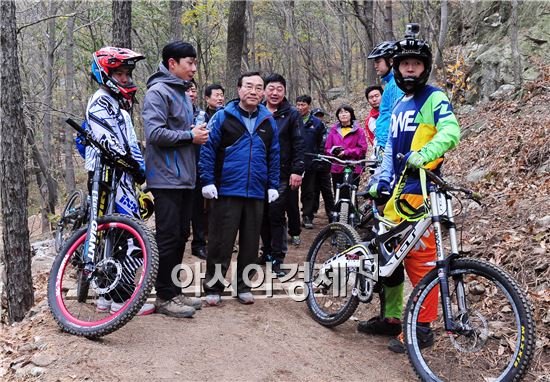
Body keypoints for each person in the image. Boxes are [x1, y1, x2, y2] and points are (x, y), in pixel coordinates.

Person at [359, 33, 461, 354]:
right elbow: (390, 148)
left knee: (422, 262)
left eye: (416, 64)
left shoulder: (435, 98)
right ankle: (390, 317)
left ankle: (422, 328)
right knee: (388, 258)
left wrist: (426, 152)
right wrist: (380, 179)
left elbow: (451, 131)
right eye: (405, 64)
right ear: (397, 67)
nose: (410, 70)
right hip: (395, 198)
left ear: (425, 68)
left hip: (423, 194)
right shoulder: (400, 103)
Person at [199, 71, 280, 306]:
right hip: (226, 189)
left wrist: (273, 185)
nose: (254, 91)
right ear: (239, 89)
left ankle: (243, 285)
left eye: (258, 87)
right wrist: (207, 181)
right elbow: (208, 149)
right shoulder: (223, 116)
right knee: (220, 242)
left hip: (256, 190)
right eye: (249, 86)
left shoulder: (268, 120)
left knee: (251, 243)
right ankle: (213, 287)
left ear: (263, 92)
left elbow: (274, 154)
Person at [86, 46, 155, 316]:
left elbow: (129, 146)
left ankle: (106, 296)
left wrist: (140, 170)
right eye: (120, 73)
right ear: (106, 73)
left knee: (112, 239)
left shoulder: (118, 105)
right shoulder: (100, 101)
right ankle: (122, 298)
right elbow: (109, 144)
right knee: (130, 240)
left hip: (120, 176)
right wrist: (135, 168)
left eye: (127, 73)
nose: (125, 79)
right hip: (108, 175)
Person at [142, 41, 208, 318]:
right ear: (172, 63)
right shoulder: (158, 92)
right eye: (189, 62)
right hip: (165, 178)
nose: (194, 68)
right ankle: (164, 297)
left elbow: (181, 130)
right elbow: (154, 133)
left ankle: (173, 290)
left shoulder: (181, 92)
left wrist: (194, 132)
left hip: (185, 177)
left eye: (195, 62)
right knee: (168, 237)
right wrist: (189, 136)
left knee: (181, 235)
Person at [259, 73, 305, 277]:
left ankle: (278, 257)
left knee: (276, 215)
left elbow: (299, 143)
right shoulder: (257, 111)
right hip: (259, 173)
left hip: (282, 174)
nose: (275, 93)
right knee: (261, 216)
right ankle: (266, 252)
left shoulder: (292, 114)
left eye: (279, 89)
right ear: (264, 91)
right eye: (271, 88)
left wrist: (297, 170)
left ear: (285, 92)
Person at [296, 95, 334, 229]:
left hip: (313, 162)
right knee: (299, 191)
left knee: (311, 190)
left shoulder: (317, 123)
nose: (300, 107)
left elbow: (323, 143)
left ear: (309, 106)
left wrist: (319, 158)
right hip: (296, 161)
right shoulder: (294, 120)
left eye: (303, 105)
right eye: (298, 104)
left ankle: (310, 215)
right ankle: (300, 216)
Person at [324, 105, 367, 204]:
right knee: (338, 192)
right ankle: (338, 216)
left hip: (353, 166)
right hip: (337, 166)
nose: (343, 114)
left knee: (351, 192)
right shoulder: (333, 130)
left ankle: (353, 217)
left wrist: (346, 152)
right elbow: (327, 148)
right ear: (338, 116)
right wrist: (333, 152)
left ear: (351, 114)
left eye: (346, 112)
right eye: (341, 112)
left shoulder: (359, 131)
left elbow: (362, 149)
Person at [368, 41, 404, 158]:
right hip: (386, 144)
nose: (375, 65)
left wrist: (386, 147)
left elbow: (396, 116)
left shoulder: (397, 84)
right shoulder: (390, 83)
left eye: (378, 61)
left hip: (392, 146)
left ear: (391, 61)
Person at [185, 79, 208, 261]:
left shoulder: (202, 114)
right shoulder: (175, 113)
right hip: (180, 169)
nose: (191, 94)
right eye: (188, 91)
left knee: (199, 211)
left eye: (193, 90)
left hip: (199, 167)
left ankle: (199, 244)